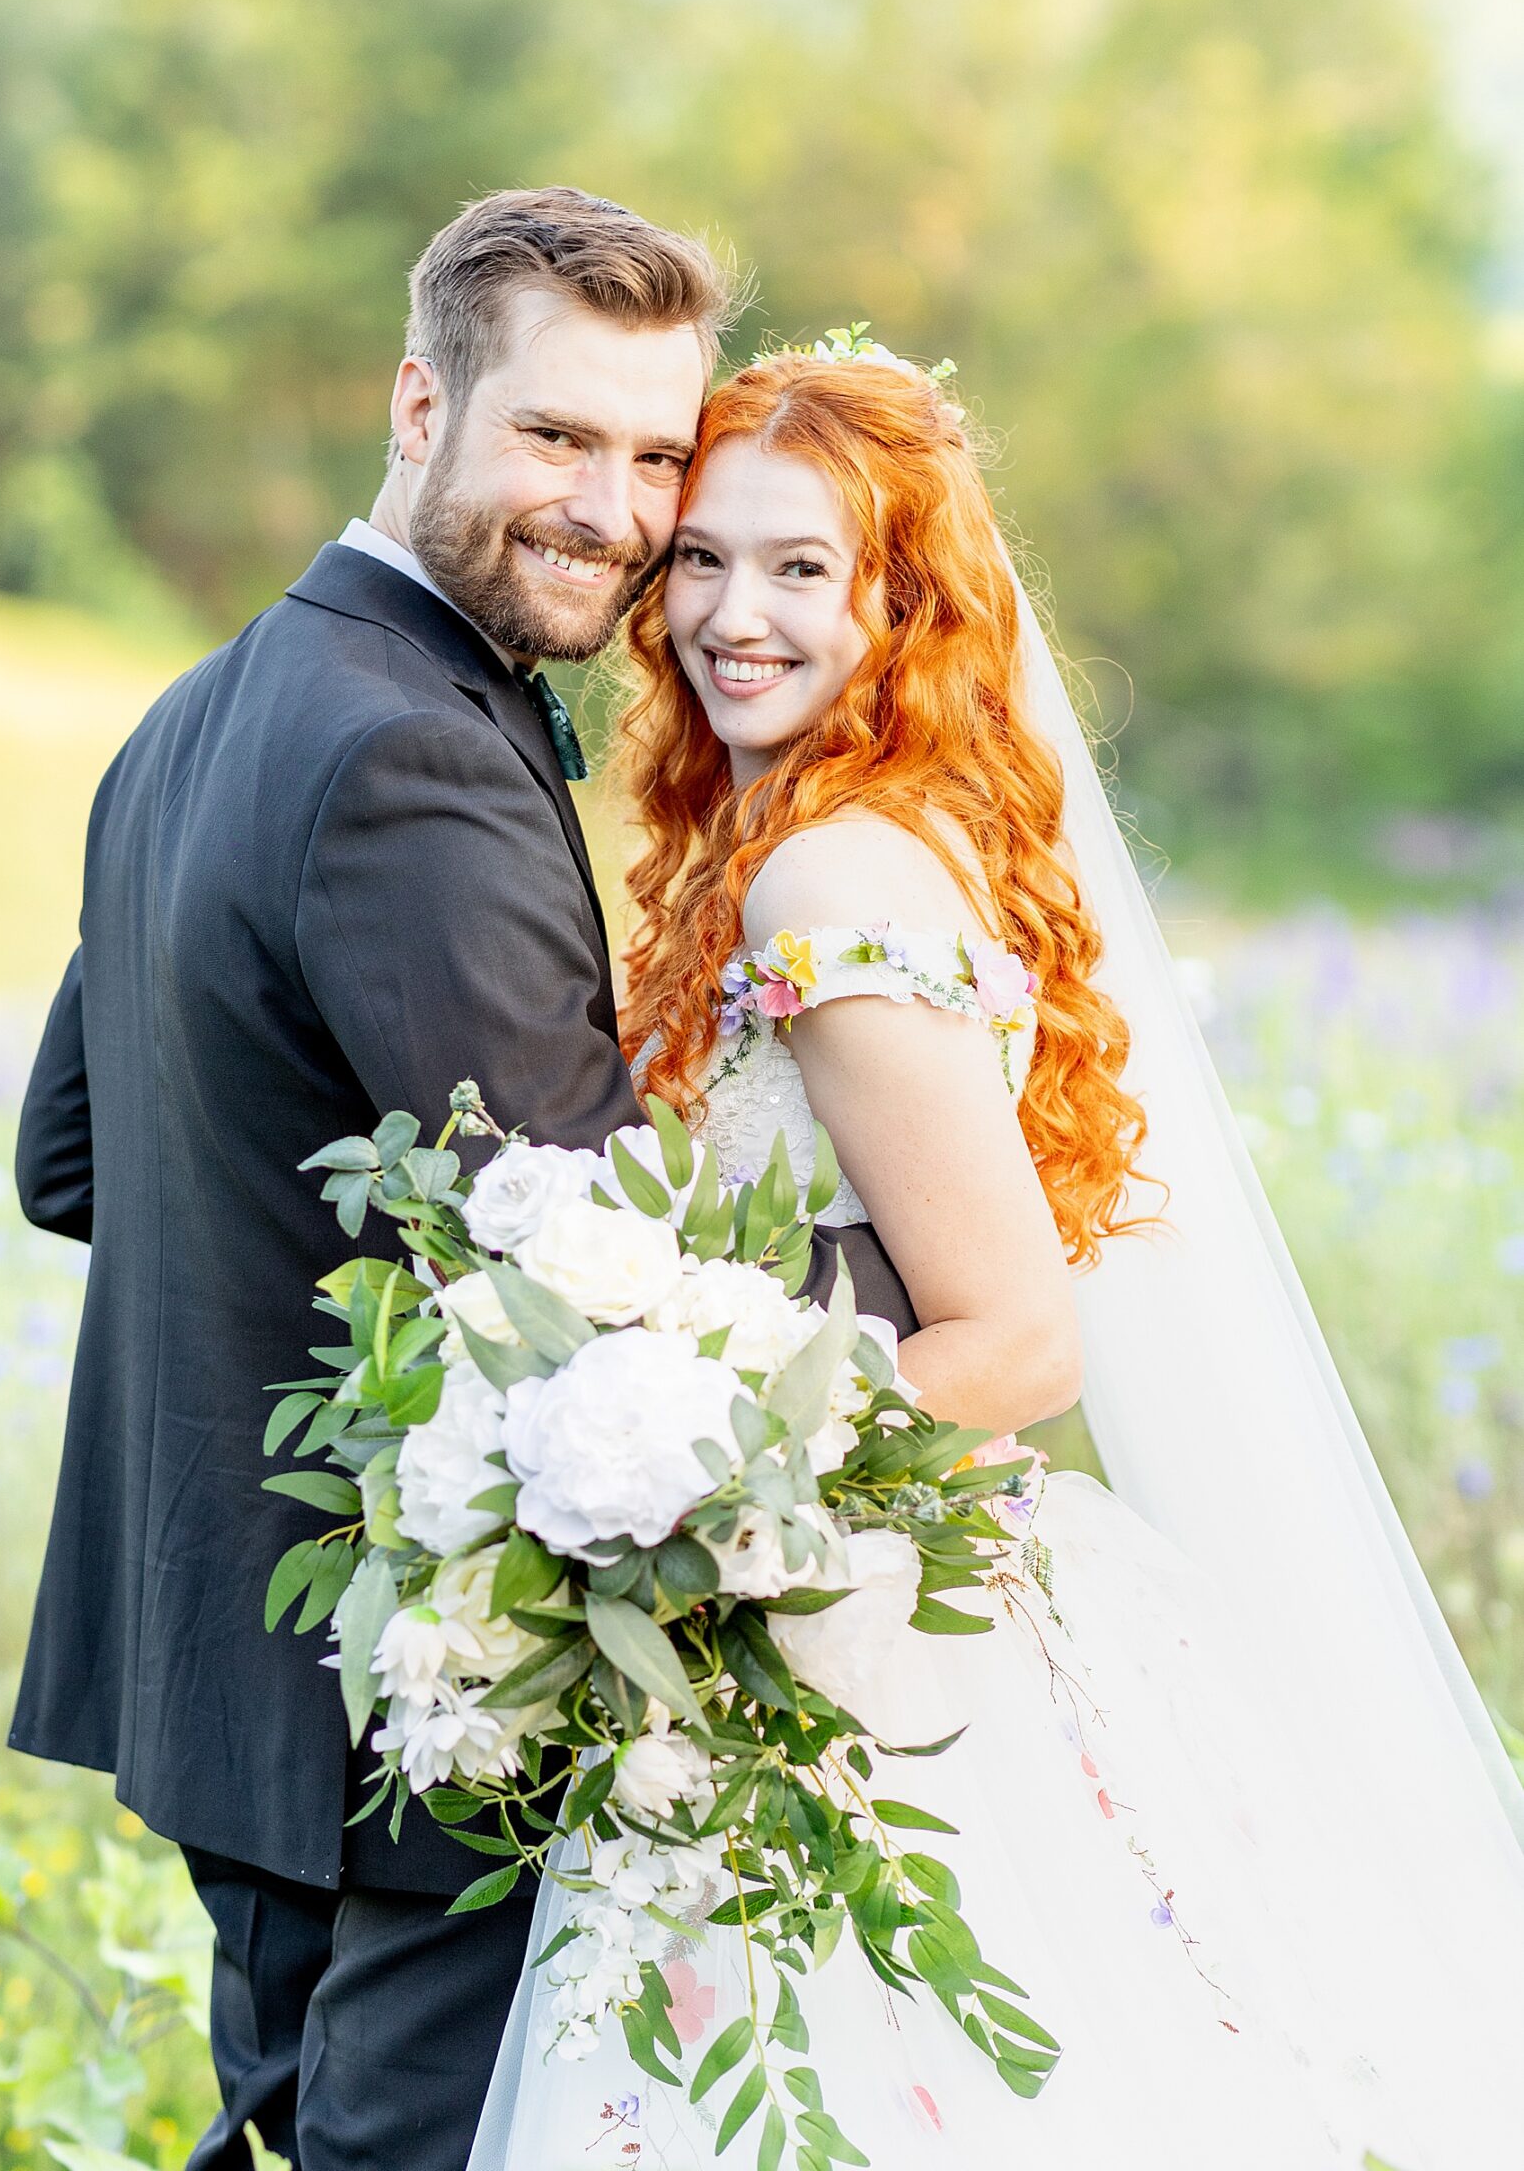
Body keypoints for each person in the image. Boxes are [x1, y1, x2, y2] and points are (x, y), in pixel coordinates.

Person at [466, 342, 1524, 2170]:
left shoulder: (829, 882)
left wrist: (685, 1472)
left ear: (902, 600)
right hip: (873, 1584)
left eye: (803, 570)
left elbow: (1021, 1338)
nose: (732, 614)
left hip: (870, 1638)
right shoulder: (837, 836)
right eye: (702, 560)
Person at [11, 186, 773, 2171]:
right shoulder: (404, 752)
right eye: (553, 434)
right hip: (402, 1714)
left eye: (653, 452)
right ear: (419, 399)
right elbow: (592, 1277)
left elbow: (67, 1156)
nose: (613, 508)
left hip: (228, 1683)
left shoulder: (199, 710)